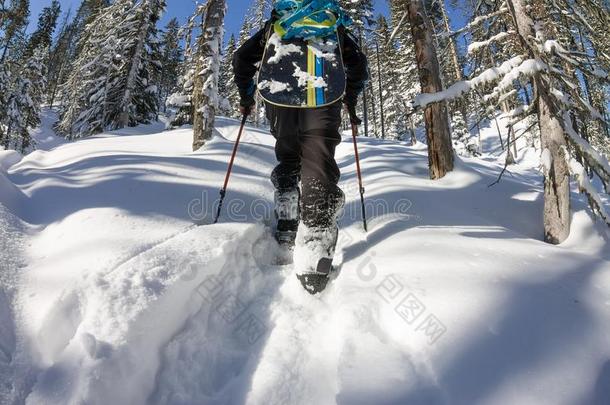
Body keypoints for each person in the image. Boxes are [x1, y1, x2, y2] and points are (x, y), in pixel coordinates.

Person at [233, 5, 368, 294]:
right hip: (323, 98)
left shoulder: (277, 22)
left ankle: (287, 213)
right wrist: (351, 99)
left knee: (288, 153)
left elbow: (242, 59)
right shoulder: (332, 23)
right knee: (317, 158)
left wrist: (246, 97)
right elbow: (358, 66)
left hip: (279, 99)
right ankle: (315, 243)